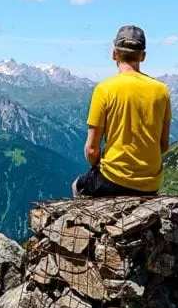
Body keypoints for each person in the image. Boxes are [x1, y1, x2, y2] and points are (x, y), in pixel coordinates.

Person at [72, 25, 172, 197]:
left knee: (77, 186)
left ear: (114, 54)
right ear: (143, 56)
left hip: (113, 180)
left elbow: (91, 149)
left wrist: (97, 165)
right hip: (151, 183)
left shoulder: (104, 89)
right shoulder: (161, 90)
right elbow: (163, 145)